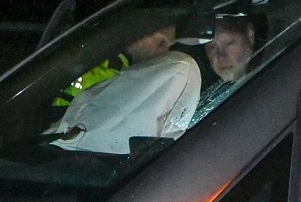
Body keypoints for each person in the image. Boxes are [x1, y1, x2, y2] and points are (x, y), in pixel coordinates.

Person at [47, 18, 201, 155]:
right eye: (161, 42)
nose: (163, 52)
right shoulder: (111, 63)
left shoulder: (119, 74)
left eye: (166, 45)